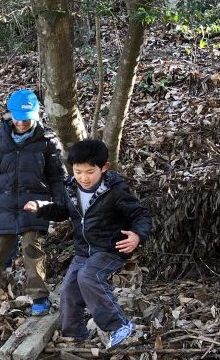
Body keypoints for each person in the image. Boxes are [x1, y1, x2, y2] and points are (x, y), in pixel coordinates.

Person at [24, 137, 152, 348]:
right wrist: (41, 207)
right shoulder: (70, 188)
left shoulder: (115, 190)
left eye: (90, 172)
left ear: (104, 168)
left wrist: (137, 235)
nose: (84, 178)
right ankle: (74, 335)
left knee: (89, 276)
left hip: (110, 249)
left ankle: (119, 325)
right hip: (83, 251)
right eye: (78, 171)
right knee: (68, 291)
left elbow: (141, 214)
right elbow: (62, 211)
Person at [0, 88, 66, 314]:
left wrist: (59, 202)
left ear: (36, 115)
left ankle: (39, 299)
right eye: (18, 119)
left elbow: (56, 176)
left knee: (33, 249)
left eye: (27, 119)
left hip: (34, 203)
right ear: (10, 115)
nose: (22, 123)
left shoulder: (47, 141)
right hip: (3, 203)